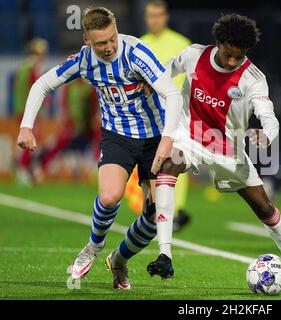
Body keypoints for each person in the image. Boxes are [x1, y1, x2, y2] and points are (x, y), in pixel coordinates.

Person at [146, 13, 281, 292]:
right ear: (218, 43)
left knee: (264, 207)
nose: (232, 61)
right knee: (168, 166)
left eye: (239, 57)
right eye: (229, 54)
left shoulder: (253, 78)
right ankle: (165, 254)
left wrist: (266, 135)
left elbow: (268, 115)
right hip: (189, 138)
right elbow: (165, 70)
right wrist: (149, 84)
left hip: (228, 151)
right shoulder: (194, 56)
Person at [16, 7, 183, 289]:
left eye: (112, 39)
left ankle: (119, 260)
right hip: (117, 136)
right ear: (86, 40)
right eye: (100, 43)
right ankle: (93, 247)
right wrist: (25, 126)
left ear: (116, 31)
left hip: (155, 137)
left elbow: (172, 94)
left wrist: (167, 139)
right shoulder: (83, 61)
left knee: (155, 216)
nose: (108, 48)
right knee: (108, 197)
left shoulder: (136, 53)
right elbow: (43, 84)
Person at [125, 0, 192, 232]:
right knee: (148, 161)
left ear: (166, 16)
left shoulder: (181, 44)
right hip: (148, 113)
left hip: (177, 113)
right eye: (151, 15)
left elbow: (193, 78)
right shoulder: (140, 44)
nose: (155, 19)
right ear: (146, 17)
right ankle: (152, 207)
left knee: (176, 159)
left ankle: (176, 209)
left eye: (159, 15)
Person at [13, 38, 48, 185]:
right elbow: (35, 90)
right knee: (29, 140)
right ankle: (23, 171)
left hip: (21, 110)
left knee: (27, 141)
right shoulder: (32, 68)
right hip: (29, 113)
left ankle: (26, 169)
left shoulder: (23, 68)